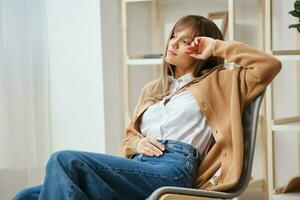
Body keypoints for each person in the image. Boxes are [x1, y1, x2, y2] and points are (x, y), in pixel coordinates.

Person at [13, 15, 282, 200]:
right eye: (173, 36)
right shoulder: (153, 89)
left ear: (202, 49)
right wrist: (136, 145)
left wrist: (218, 47)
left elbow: (269, 66)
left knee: (63, 161)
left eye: (186, 40)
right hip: (137, 166)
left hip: (173, 169)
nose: (173, 43)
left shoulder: (222, 82)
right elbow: (127, 141)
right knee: (25, 196)